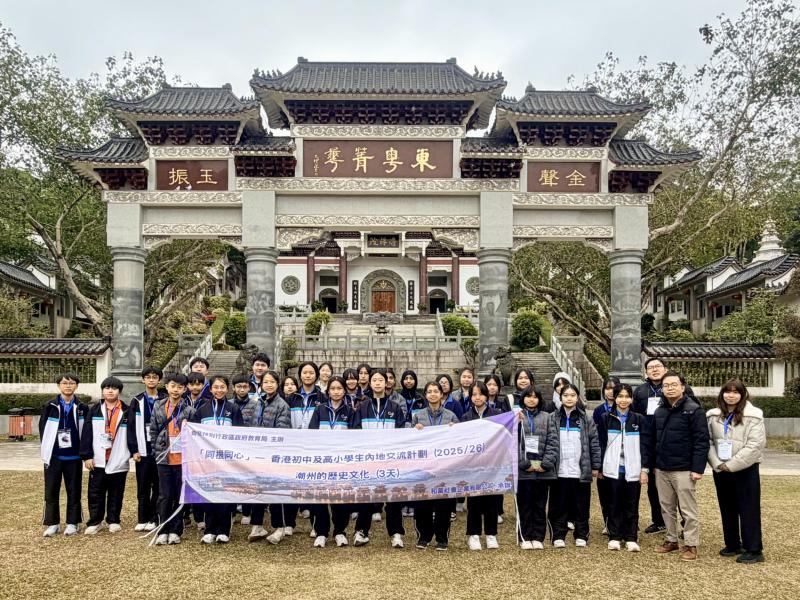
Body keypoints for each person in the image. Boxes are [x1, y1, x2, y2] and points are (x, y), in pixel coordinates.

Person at [633, 357, 696, 534]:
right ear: (645, 372)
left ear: (665, 368)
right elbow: (636, 415)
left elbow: (693, 410)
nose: (654, 370)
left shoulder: (679, 387)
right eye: (650, 367)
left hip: (677, 443)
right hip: (651, 440)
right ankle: (659, 521)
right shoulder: (640, 391)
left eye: (658, 366)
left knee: (681, 489)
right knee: (655, 487)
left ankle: (685, 525)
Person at [651, 371, 709, 561]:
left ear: (682, 387)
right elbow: (653, 439)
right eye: (666, 385)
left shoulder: (694, 410)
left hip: (684, 468)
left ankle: (691, 544)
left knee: (687, 509)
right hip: (662, 468)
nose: (669, 388)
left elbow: (702, 441)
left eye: (674, 384)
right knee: (666, 507)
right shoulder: (659, 411)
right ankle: (671, 539)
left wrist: (697, 468)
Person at [707, 379, 766, 564]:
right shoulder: (713, 415)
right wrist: (717, 463)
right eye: (727, 391)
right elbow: (706, 441)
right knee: (727, 507)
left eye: (736, 392)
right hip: (721, 469)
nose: (731, 395)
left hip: (746, 468)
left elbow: (755, 445)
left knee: (748, 508)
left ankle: (754, 549)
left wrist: (732, 465)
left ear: (742, 394)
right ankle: (732, 543)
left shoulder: (754, 416)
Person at [351, 368, 405, 547]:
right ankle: (361, 531)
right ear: (369, 383)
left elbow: (401, 433)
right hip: (368, 460)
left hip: (390, 460)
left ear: (386, 383)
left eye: (381, 379)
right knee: (366, 496)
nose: (377, 383)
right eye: (374, 379)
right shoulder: (362, 407)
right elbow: (355, 432)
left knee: (392, 498)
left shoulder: (395, 407)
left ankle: (396, 533)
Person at [596, 383, 650, 552]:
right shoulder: (606, 418)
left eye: (627, 396)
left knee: (631, 504)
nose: (623, 400)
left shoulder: (639, 419)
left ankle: (631, 537)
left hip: (632, 469)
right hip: (612, 468)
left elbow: (645, 446)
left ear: (631, 399)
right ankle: (614, 536)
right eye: (620, 396)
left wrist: (644, 469)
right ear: (615, 398)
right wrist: (599, 467)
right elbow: (600, 444)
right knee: (613, 503)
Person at [191, 375, 243, 543]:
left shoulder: (233, 409)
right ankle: (210, 529)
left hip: (228, 461)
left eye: (222, 387)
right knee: (209, 494)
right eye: (216, 387)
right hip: (208, 461)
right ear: (211, 389)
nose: (219, 390)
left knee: (226, 495)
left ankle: (224, 530)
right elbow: (195, 434)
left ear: (227, 389)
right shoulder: (203, 409)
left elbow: (240, 434)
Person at [549, 383, 601, 548]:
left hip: (580, 469)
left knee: (581, 505)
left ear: (577, 397)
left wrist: (595, 466)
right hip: (560, 470)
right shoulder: (553, 418)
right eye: (566, 395)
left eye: (572, 395)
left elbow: (594, 444)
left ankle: (581, 534)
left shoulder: (586, 419)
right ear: (560, 397)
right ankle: (558, 534)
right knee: (559, 504)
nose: (569, 398)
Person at [308, 376, 356, 548]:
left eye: (339, 388)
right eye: (333, 388)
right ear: (328, 391)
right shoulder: (319, 409)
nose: (336, 391)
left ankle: (340, 531)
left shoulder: (350, 411)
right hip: (322, 461)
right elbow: (311, 434)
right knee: (320, 498)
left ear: (344, 391)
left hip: (342, 462)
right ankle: (321, 532)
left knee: (340, 499)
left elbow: (356, 437)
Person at [412, 381, 460, 551]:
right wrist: (414, 430)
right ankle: (424, 536)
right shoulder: (417, 416)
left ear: (442, 394)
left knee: (443, 504)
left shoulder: (451, 416)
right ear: (425, 395)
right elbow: (409, 441)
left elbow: (459, 440)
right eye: (429, 391)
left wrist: (455, 430)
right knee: (422, 504)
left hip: (444, 467)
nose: (432, 394)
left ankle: (442, 538)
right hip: (423, 467)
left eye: (436, 391)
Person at [40, 372, 88, 537]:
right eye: (65, 383)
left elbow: (87, 432)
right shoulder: (50, 406)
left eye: (71, 383)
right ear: (59, 385)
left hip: (74, 457)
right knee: (51, 490)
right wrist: (47, 450)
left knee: (73, 490)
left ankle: (72, 523)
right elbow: (43, 430)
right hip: (54, 457)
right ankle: (53, 523)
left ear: (76, 386)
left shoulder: (82, 407)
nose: (68, 386)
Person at [80, 376, 131, 535]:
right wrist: (87, 456)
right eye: (107, 388)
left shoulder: (127, 410)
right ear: (103, 390)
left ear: (119, 392)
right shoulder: (94, 410)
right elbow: (86, 434)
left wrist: (131, 453)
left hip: (118, 458)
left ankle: (113, 520)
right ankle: (95, 521)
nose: (110, 391)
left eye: (114, 388)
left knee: (116, 492)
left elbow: (132, 435)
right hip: (98, 459)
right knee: (95, 492)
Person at [150, 373, 194, 545]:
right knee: (164, 495)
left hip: (182, 459)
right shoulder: (158, 406)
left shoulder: (189, 410)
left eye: (180, 387)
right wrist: (156, 451)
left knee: (178, 495)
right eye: (173, 386)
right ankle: (163, 529)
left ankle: (176, 530)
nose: (176, 390)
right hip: (164, 458)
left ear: (185, 389)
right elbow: (153, 430)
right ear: (166, 386)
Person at [516, 386, 559, 550]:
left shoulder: (547, 417)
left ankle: (538, 536)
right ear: (523, 398)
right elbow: (512, 442)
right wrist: (524, 463)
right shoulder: (517, 417)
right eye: (528, 396)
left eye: (535, 397)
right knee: (525, 504)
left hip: (543, 471)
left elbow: (553, 442)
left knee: (540, 505)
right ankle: (525, 536)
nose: (531, 399)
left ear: (540, 399)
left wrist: (545, 463)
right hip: (524, 471)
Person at [461, 381, 501, 550]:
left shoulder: (497, 415)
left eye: (481, 394)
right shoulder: (465, 417)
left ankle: (491, 534)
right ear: (470, 397)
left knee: (492, 499)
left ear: (487, 395)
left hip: (492, 464)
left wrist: (517, 420)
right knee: (474, 501)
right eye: (474, 394)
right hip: (473, 466)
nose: (477, 397)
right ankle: (474, 534)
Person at [127, 365, 166, 532]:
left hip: (161, 450)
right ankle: (142, 518)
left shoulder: (164, 398)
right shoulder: (137, 401)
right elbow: (130, 427)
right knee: (143, 487)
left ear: (159, 380)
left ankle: (154, 518)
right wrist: (133, 450)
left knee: (158, 487)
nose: (151, 379)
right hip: (142, 451)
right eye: (148, 377)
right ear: (143, 380)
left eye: (154, 377)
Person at [256, 371, 292, 544]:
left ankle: (280, 527)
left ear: (278, 384)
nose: (269, 385)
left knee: (276, 491)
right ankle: (258, 525)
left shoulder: (282, 405)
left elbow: (282, 433)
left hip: (274, 455)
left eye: (272, 382)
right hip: (257, 454)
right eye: (266, 382)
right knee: (258, 490)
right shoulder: (257, 402)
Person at [593, 376, 621, 534]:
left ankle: (622, 521)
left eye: (614, 388)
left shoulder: (626, 408)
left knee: (621, 491)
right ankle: (608, 522)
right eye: (608, 388)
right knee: (604, 492)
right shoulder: (598, 411)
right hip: (603, 454)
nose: (611, 392)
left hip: (621, 455)